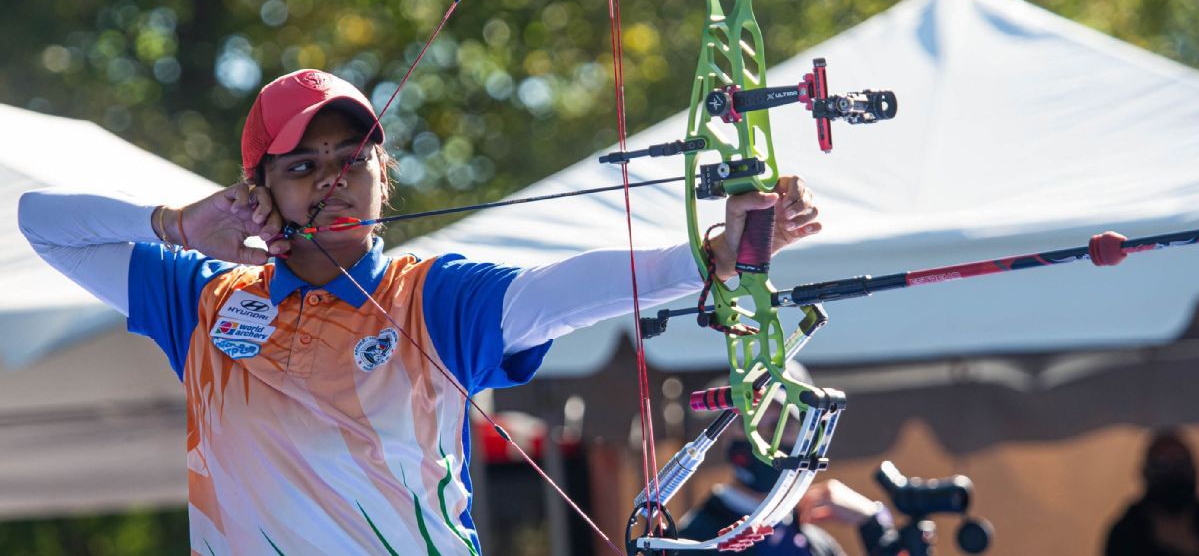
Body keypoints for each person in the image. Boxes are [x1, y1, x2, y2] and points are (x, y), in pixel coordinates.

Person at [17, 69, 822, 554]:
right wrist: (178, 226)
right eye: (304, 166)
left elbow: (558, 291)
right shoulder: (203, 299)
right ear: (258, 189)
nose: (334, 180)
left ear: (384, 172)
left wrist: (711, 258)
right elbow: (37, 221)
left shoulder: (427, 295)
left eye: (353, 159)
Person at [676, 363, 891, 556]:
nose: (763, 438)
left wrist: (874, 525)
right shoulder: (694, 542)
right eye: (751, 420)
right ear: (724, 431)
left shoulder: (818, 544)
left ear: (805, 435)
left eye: (782, 424)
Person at [1103, 429, 1199, 556]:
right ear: (1146, 472)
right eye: (1162, 465)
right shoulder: (1126, 534)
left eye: (1180, 464)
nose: (1173, 473)